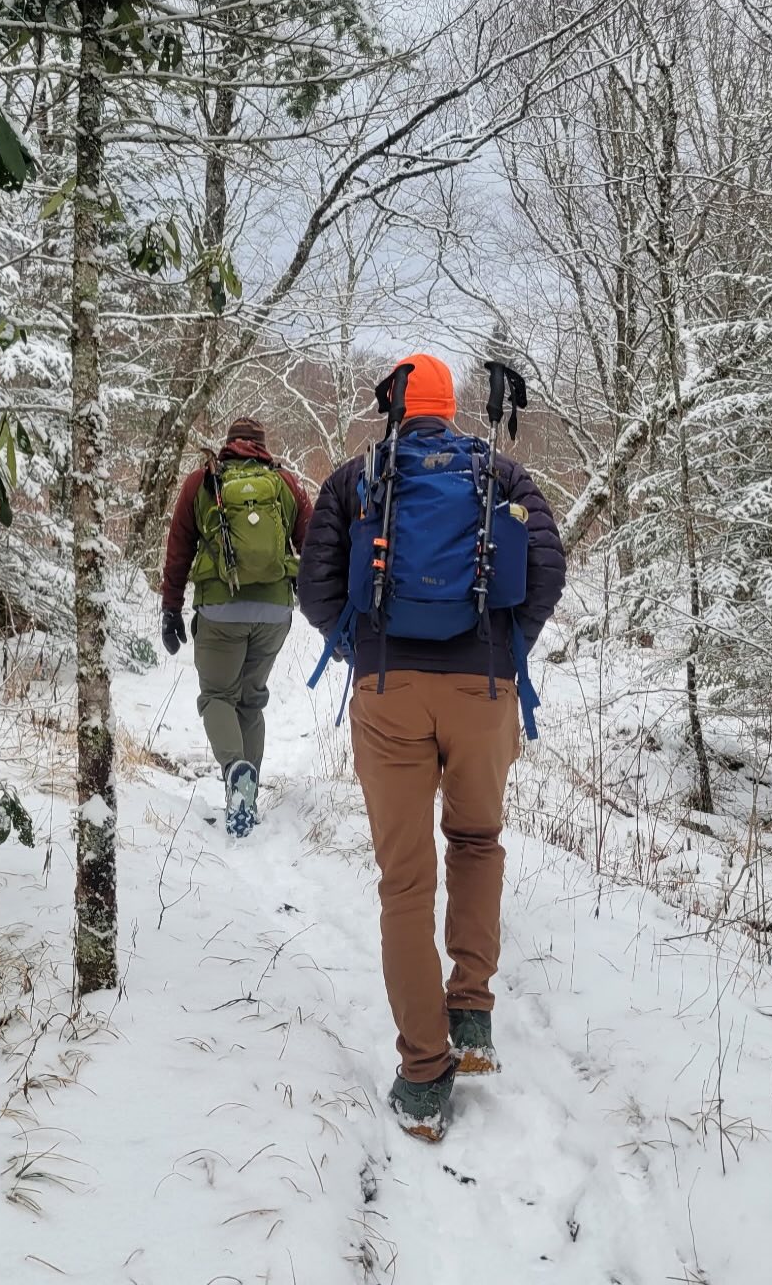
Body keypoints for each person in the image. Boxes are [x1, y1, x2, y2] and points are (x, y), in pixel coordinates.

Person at [297, 354, 565, 1141]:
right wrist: (506, 646)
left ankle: (422, 1078)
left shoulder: (356, 479)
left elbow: (316, 587)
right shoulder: (503, 477)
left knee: (403, 883)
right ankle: (472, 1013)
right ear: (450, 409)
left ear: (394, 406)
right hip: (484, 690)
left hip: (388, 694)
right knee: (477, 840)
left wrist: (360, 651)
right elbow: (547, 569)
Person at [161, 416, 313, 837]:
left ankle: (235, 771)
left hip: (220, 610)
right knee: (250, 699)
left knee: (216, 697)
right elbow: (313, 545)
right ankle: (247, 795)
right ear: (262, 446)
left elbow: (178, 551)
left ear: (228, 445)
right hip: (273, 612)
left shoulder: (202, 482)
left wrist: (170, 608)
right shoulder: (285, 483)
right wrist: (319, 607)